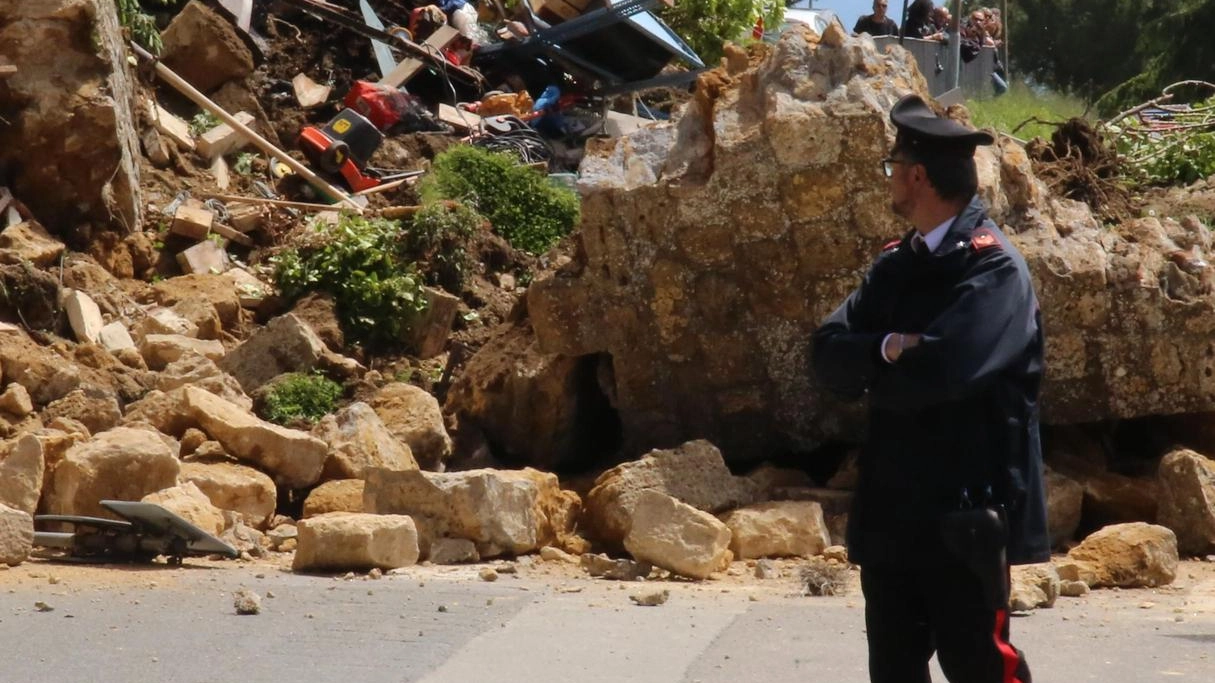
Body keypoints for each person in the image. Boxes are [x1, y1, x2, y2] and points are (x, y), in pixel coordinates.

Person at [812, 94, 1048, 683]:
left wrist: (876, 368)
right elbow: (825, 356)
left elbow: (946, 372)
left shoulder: (994, 271)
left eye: (893, 167)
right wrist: (891, 347)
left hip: (963, 514)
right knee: (892, 669)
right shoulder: (895, 265)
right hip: (892, 513)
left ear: (917, 175)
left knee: (980, 667)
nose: (889, 178)